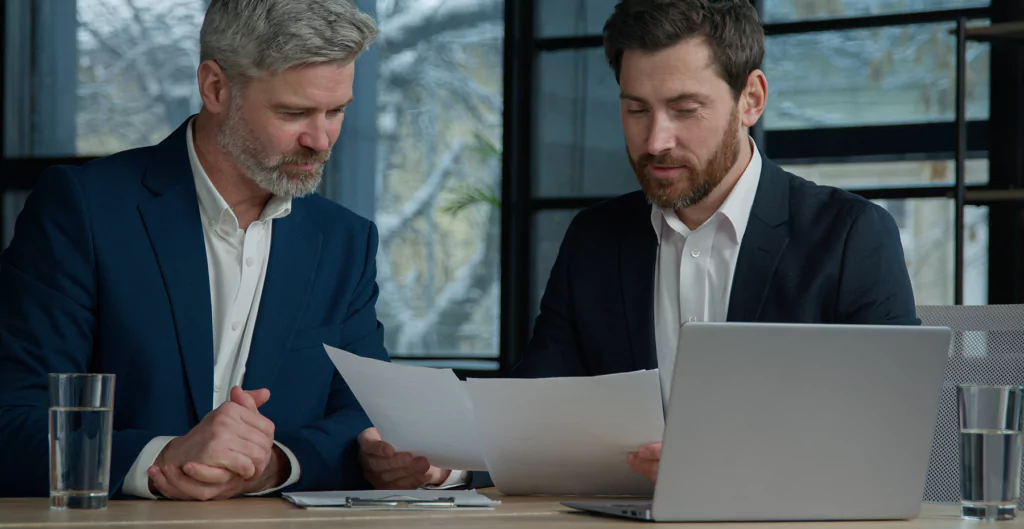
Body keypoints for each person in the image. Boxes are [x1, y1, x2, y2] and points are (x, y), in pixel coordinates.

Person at [360, 0, 918, 488]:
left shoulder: (850, 237)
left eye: (684, 109)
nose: (656, 141)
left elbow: (888, 433)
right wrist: (442, 463)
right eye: (635, 109)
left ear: (751, 99)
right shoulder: (595, 240)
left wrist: (720, 463)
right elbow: (536, 411)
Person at [0, 0, 452, 500]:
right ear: (215, 88)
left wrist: (276, 463)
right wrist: (163, 456)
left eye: (337, 111)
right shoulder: (83, 209)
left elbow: (364, 419)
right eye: (294, 112)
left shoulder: (344, 239)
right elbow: (12, 422)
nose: (321, 139)